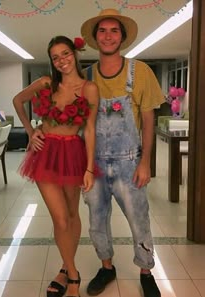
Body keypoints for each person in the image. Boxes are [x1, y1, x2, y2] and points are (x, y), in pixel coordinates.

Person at [80, 9, 164, 297]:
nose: (107, 35)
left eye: (114, 30)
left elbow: (149, 120)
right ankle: (107, 267)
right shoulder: (86, 76)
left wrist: (145, 162)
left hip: (130, 162)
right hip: (95, 164)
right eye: (102, 30)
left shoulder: (140, 72)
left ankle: (146, 270)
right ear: (95, 37)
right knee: (96, 221)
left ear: (122, 37)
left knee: (139, 218)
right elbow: (75, 119)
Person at [13, 35, 99, 297]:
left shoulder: (89, 89)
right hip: (46, 152)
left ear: (75, 53)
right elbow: (18, 101)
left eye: (65, 54)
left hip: (74, 152)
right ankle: (73, 277)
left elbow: (91, 129)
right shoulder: (46, 84)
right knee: (60, 219)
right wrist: (30, 131)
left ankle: (64, 267)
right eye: (55, 57)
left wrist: (90, 168)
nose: (61, 61)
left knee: (73, 216)